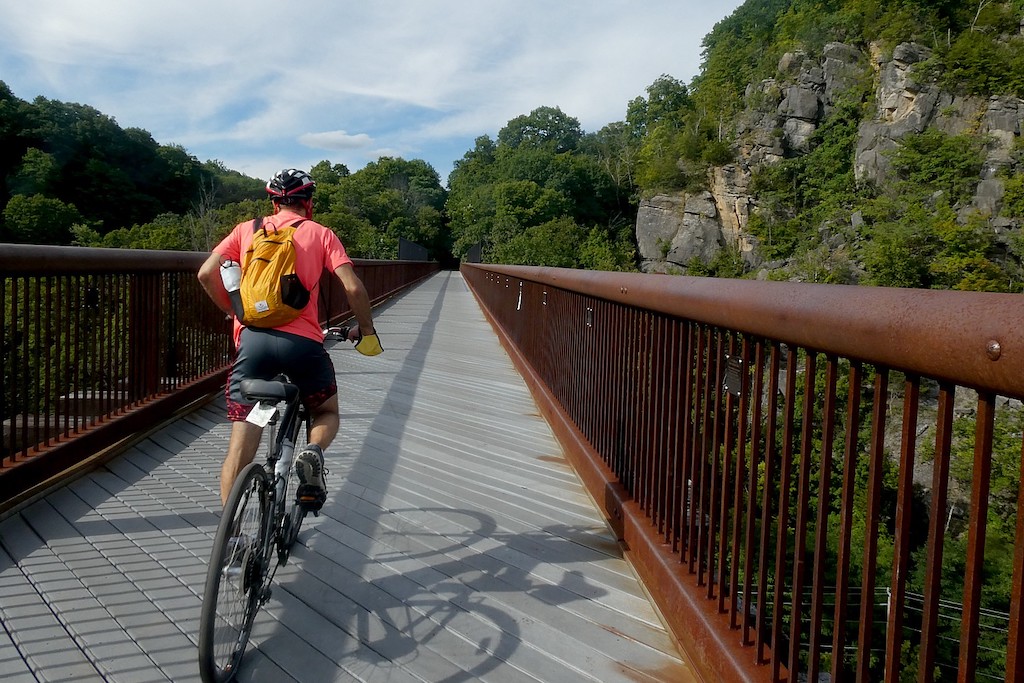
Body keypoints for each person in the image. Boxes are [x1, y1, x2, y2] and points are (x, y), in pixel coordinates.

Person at [197, 168, 382, 511]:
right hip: (303, 347)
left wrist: (237, 313)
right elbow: (353, 287)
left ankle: (232, 539)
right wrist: (367, 331)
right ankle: (312, 451)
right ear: (309, 202)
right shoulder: (322, 234)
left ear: (273, 201)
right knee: (325, 410)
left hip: (254, 345)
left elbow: (206, 273)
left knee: (243, 435)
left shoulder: (246, 230)